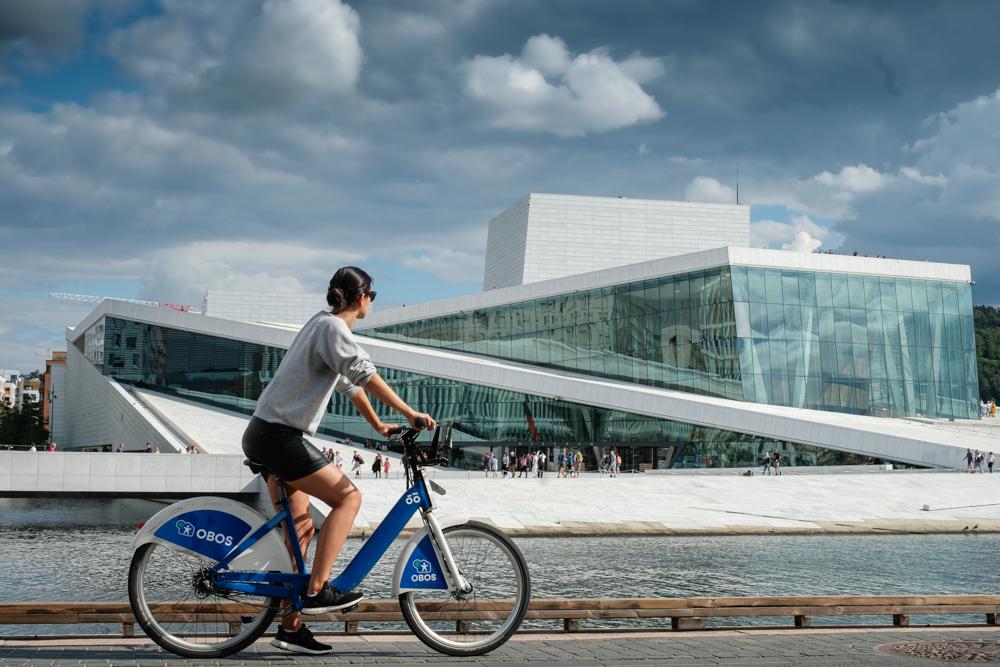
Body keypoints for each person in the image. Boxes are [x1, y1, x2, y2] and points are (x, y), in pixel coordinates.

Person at [241, 266, 435, 655]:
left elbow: (348, 383)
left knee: (300, 531)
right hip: (281, 437)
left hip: (267, 433)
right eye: (372, 296)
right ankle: (317, 589)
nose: (372, 303)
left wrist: (380, 425)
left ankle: (290, 628)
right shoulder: (334, 329)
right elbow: (364, 375)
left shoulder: (320, 325)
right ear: (361, 298)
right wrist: (411, 413)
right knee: (348, 498)